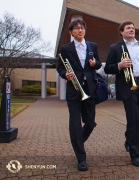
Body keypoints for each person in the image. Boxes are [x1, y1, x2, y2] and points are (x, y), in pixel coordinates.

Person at [104, 21, 139, 167]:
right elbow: (108, 68)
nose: (131, 30)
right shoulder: (115, 48)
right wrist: (119, 65)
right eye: (128, 28)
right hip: (128, 85)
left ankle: (129, 136)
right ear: (121, 32)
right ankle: (135, 154)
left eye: (133, 28)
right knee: (133, 118)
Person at [57, 19, 101, 171]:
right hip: (74, 91)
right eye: (76, 28)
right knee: (75, 124)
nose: (79, 30)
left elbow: (99, 64)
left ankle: (77, 142)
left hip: (90, 89)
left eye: (82, 28)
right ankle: (81, 158)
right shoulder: (66, 48)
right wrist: (65, 74)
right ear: (71, 32)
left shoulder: (92, 46)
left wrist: (94, 64)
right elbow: (60, 68)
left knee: (90, 123)